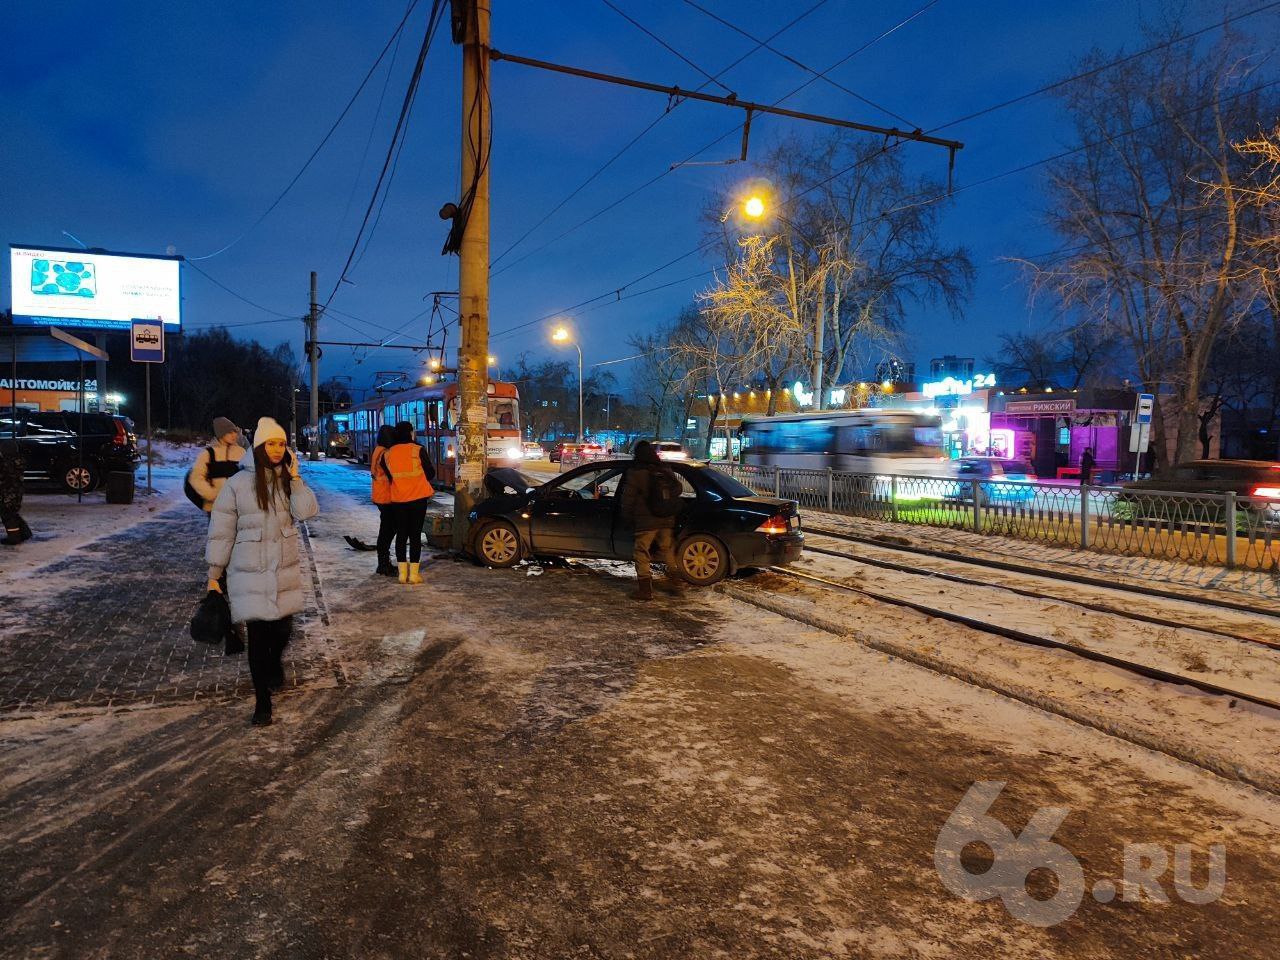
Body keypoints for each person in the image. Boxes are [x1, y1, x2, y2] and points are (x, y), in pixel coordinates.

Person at [206, 417, 319, 727]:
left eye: (281, 444)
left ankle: (273, 665)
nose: (276, 449)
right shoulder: (238, 484)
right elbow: (222, 530)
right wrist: (214, 574)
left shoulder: (287, 478)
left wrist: (295, 477)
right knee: (258, 637)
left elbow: (307, 511)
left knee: (282, 630)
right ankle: (262, 702)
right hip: (249, 569)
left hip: (283, 569)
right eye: (271, 443)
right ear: (258, 447)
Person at [620, 440, 686, 601]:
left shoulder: (636, 473)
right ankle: (676, 583)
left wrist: (627, 517)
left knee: (642, 552)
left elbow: (627, 498)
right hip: (666, 518)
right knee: (667, 550)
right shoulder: (664, 469)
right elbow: (678, 488)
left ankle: (645, 590)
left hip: (646, 522)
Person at [384, 421, 435, 585]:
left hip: (398, 500)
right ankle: (413, 575)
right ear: (411, 433)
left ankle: (401, 574)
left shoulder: (388, 453)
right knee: (415, 536)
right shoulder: (418, 450)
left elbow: (389, 474)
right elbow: (430, 473)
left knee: (401, 535)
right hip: (418, 499)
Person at [189, 417, 247, 514]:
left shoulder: (241, 452)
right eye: (230, 432)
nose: (234, 435)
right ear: (221, 434)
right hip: (215, 508)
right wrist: (211, 494)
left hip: (237, 507)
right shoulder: (208, 453)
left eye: (235, 432)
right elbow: (196, 477)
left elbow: (249, 476)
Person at [370, 424, 397, 576]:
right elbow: (392, 475)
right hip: (386, 497)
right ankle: (383, 564)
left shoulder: (378, 450)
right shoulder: (385, 454)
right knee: (387, 530)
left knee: (386, 529)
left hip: (380, 496)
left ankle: (383, 562)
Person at [0, 443, 32, 547]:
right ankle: (24, 532)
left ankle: (14, 537)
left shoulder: (5, 463)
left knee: (7, 513)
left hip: (7, 491)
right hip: (17, 490)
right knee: (12, 511)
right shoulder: (18, 461)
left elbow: (3, 476)